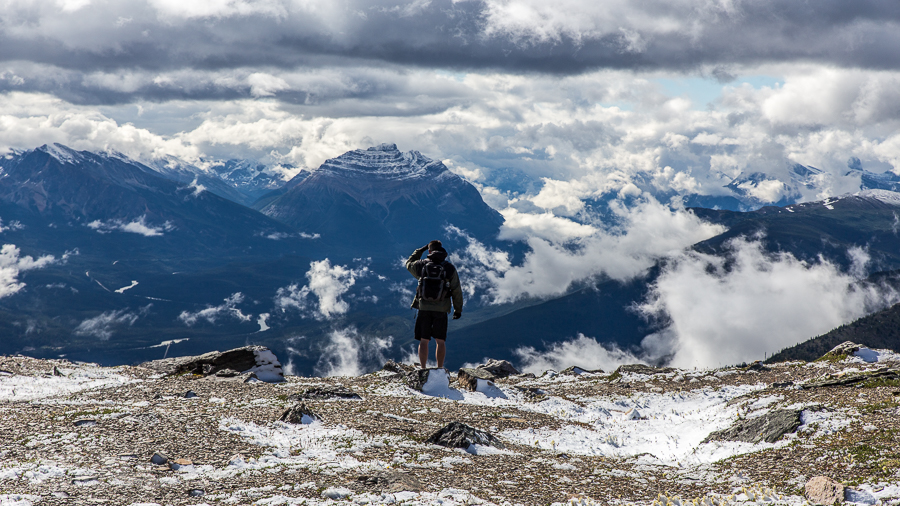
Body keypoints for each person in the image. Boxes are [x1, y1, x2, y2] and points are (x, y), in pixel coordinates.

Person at [406, 240, 463, 369]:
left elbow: (408, 263)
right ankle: (439, 368)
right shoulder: (449, 268)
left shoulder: (421, 265)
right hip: (441, 309)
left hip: (424, 307)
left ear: (429, 251)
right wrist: (458, 309)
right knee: (440, 341)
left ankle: (423, 368)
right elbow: (456, 290)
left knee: (424, 340)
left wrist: (420, 250)